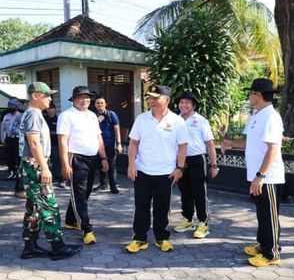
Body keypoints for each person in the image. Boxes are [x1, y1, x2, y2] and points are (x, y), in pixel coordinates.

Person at [221, 78, 284, 267]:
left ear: (258, 95)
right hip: (257, 176)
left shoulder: (271, 117)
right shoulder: (256, 115)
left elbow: (273, 149)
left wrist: (261, 176)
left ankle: (272, 253)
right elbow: (250, 142)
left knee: (270, 215)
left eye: (250, 93)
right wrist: (231, 144)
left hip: (268, 177)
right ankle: (262, 244)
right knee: (262, 213)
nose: (248, 96)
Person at [19, 81, 82, 260]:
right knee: (48, 205)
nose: (49, 99)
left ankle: (30, 246)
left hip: (32, 164)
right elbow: (33, 142)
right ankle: (57, 246)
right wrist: (45, 167)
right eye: (46, 95)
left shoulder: (34, 113)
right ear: (35, 96)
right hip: (36, 165)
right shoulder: (33, 114)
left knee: (33, 208)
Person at [125, 85, 189, 254]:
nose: (151, 101)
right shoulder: (142, 119)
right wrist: (131, 163)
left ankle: (162, 238)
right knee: (141, 206)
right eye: (150, 98)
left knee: (162, 207)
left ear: (166, 100)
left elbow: (183, 147)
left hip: (166, 173)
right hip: (143, 171)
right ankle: (140, 238)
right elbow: (133, 143)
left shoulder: (178, 121)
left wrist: (180, 168)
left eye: (155, 98)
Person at [57, 86, 109, 245]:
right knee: (79, 194)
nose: (85, 100)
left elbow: (98, 138)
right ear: (73, 99)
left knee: (85, 193)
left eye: (87, 97)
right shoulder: (66, 116)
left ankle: (71, 220)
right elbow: (62, 142)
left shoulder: (92, 115)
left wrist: (103, 157)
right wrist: (65, 164)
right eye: (81, 97)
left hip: (92, 158)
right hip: (75, 158)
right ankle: (87, 229)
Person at [173, 92, 219, 239]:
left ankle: (203, 222)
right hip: (181, 162)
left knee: (199, 192)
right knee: (184, 191)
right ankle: (188, 220)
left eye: (187, 103)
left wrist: (214, 165)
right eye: (181, 102)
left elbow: (210, 144)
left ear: (193, 105)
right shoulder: (175, 120)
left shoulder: (201, 121)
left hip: (197, 160)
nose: (183, 105)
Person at [92, 96, 122, 194]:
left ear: (105, 104)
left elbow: (117, 129)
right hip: (97, 144)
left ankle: (113, 186)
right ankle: (103, 184)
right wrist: (96, 122)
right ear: (95, 104)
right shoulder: (92, 116)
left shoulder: (111, 114)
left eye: (101, 103)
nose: (99, 105)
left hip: (110, 144)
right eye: (97, 103)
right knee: (100, 164)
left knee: (112, 165)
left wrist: (119, 143)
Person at [44, 103, 65, 188]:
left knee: (57, 160)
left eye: (52, 108)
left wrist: (54, 133)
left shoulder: (58, 118)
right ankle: (48, 178)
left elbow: (62, 131)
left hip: (56, 143)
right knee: (46, 161)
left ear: (55, 109)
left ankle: (60, 178)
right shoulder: (43, 118)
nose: (50, 110)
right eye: (48, 108)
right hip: (45, 143)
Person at [0, 99, 22, 180]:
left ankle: (19, 173)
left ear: (16, 107)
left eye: (12, 106)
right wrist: (3, 139)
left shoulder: (21, 116)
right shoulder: (6, 116)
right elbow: (3, 128)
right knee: (9, 156)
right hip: (9, 139)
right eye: (9, 106)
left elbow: (23, 128)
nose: (11, 108)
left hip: (18, 139)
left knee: (18, 156)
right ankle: (11, 171)